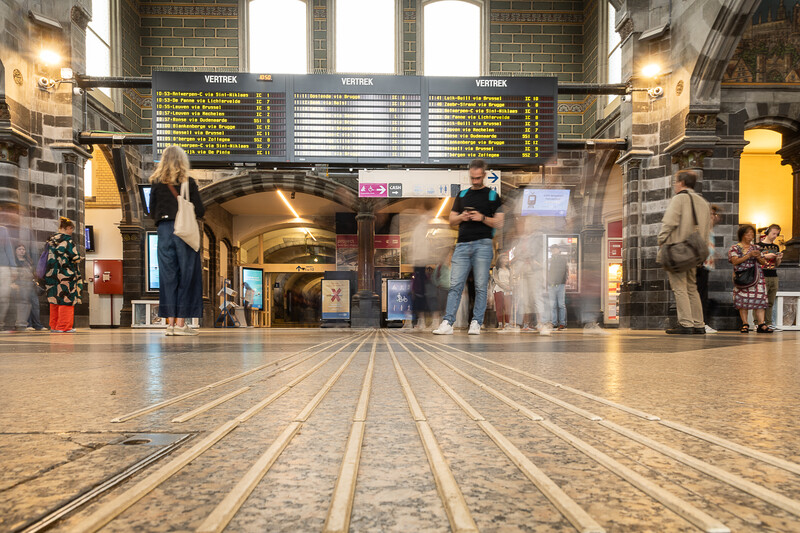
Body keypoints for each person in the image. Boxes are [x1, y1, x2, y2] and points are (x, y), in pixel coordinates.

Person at [433, 159, 504, 335]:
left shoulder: (492, 196)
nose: (475, 181)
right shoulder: (463, 195)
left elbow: (500, 222)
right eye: (472, 178)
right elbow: (451, 220)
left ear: (484, 175)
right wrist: (463, 217)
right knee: (455, 285)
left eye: (478, 178)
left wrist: (482, 218)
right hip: (462, 245)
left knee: (480, 286)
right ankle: (448, 322)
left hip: (483, 245)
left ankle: (476, 322)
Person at [149, 145, 206, 336]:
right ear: (182, 161)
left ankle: (170, 324)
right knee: (187, 276)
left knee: (168, 277)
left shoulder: (156, 183)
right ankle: (181, 323)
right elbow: (199, 210)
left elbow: (151, 210)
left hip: (164, 232)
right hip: (184, 232)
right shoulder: (188, 182)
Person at [657, 169, 711, 334]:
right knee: (691, 287)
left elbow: (669, 222)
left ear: (681, 183)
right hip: (694, 251)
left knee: (679, 287)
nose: (674, 185)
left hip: (678, 251)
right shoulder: (703, 202)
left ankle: (686, 324)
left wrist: (661, 239)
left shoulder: (679, 199)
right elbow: (707, 229)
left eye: (675, 182)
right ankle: (699, 323)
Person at [43, 217, 83, 332]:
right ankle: (64, 326)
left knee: (54, 299)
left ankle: (54, 326)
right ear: (68, 228)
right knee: (66, 299)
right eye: (71, 229)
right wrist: (79, 258)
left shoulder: (50, 241)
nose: (71, 232)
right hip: (65, 276)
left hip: (51, 275)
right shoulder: (67, 240)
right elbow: (75, 257)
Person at [728, 225, 770, 333]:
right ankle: (745, 323)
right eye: (748, 234)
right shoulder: (735, 248)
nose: (750, 236)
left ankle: (761, 324)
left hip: (757, 276)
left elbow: (763, 263)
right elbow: (735, 261)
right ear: (742, 235)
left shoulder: (756, 247)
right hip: (742, 277)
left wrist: (758, 257)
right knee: (743, 301)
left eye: (752, 234)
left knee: (759, 300)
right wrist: (749, 255)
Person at [696, 205, 720, 333]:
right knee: (700, 295)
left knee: (702, 295)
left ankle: (701, 322)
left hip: (706, 265)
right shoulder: (702, 229)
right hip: (700, 265)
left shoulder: (710, 230)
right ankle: (701, 322)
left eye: (714, 215)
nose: (714, 217)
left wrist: (713, 255)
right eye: (711, 214)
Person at [759, 224, 783, 331]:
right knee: (760, 300)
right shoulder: (758, 245)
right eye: (773, 233)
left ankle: (768, 323)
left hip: (773, 274)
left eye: (777, 234)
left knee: (770, 301)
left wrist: (778, 258)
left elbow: (777, 264)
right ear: (767, 232)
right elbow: (755, 259)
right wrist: (765, 256)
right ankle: (758, 323)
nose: (774, 236)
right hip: (762, 274)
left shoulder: (776, 247)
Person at [548, 243, 568, 330]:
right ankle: (554, 322)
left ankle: (562, 323)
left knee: (561, 304)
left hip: (560, 284)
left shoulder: (562, 258)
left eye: (555, 249)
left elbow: (562, 271)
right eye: (552, 249)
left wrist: (556, 281)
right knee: (553, 305)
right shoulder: (550, 259)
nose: (553, 250)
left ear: (558, 249)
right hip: (552, 284)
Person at [492, 253, 512, 329]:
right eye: (504, 258)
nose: (505, 260)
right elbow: (496, 280)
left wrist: (510, 287)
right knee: (499, 307)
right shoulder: (495, 269)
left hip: (508, 289)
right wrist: (504, 287)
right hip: (499, 289)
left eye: (507, 258)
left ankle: (507, 324)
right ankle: (500, 323)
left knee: (508, 307)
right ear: (500, 259)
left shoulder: (510, 269)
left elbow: (511, 279)